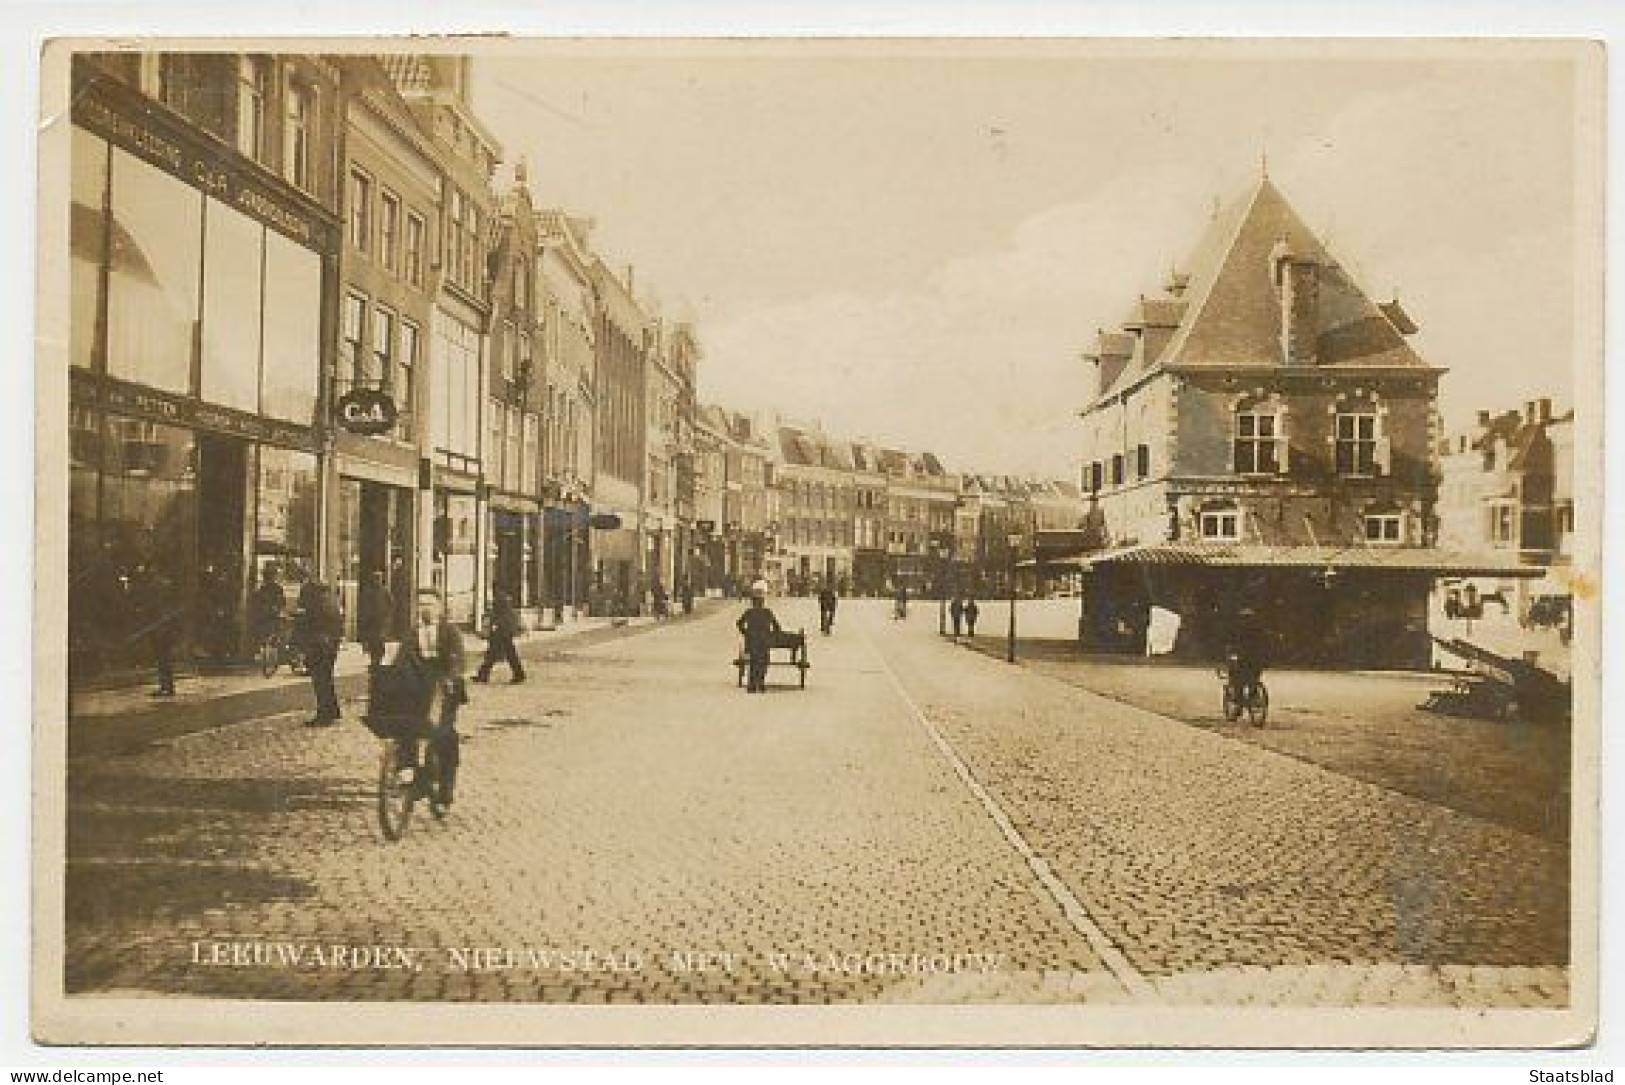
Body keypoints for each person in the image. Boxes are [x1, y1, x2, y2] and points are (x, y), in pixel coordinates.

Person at [396, 590, 468, 811]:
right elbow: (402, 659)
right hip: (418, 689)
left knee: (443, 737)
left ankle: (445, 793)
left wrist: (450, 678)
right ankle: (408, 773)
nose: (425, 609)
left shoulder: (450, 632)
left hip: (445, 689)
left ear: (439, 608)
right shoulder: (411, 634)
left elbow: (458, 660)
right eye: (421, 605)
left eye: (429, 604)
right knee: (406, 729)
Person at [294, 579, 343, 726]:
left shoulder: (316, 605)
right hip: (331, 645)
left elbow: (311, 626)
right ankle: (333, 711)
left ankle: (324, 715)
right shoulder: (331, 601)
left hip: (320, 647)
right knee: (326, 679)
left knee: (320, 681)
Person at [134, 563, 182, 697]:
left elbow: (152, 605)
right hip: (165, 626)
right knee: (164, 658)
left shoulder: (155, 585)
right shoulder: (166, 584)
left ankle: (165, 687)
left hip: (160, 627)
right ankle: (167, 687)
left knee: (162, 658)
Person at [736, 585, 784, 693]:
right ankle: (761, 683)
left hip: (752, 641)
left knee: (753, 662)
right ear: (762, 602)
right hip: (764, 641)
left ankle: (752, 685)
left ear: (753, 602)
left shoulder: (749, 612)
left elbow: (739, 623)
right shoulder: (767, 612)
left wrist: (746, 633)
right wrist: (773, 634)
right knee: (763, 662)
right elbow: (777, 627)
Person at [473, 589, 525, 684]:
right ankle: (519, 674)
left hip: (501, 634)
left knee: (495, 656)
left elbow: (500, 620)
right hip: (503, 634)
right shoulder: (504, 605)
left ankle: (483, 675)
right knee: (503, 656)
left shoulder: (501, 604)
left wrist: (493, 629)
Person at [1224, 606, 1268, 703]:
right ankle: (1252, 694)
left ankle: (1240, 698)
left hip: (1246, 659)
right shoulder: (1258, 630)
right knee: (1252, 678)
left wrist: (1231, 653)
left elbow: (1232, 644)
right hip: (1256, 660)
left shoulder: (1239, 630)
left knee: (1237, 677)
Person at [356, 570, 394, 670]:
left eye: (379, 579)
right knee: (373, 643)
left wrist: (387, 617)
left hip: (381, 622)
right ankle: (375, 660)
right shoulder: (369, 592)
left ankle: (377, 661)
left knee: (379, 643)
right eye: (376, 579)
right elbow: (363, 606)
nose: (377, 581)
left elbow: (391, 605)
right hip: (371, 623)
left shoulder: (385, 591)